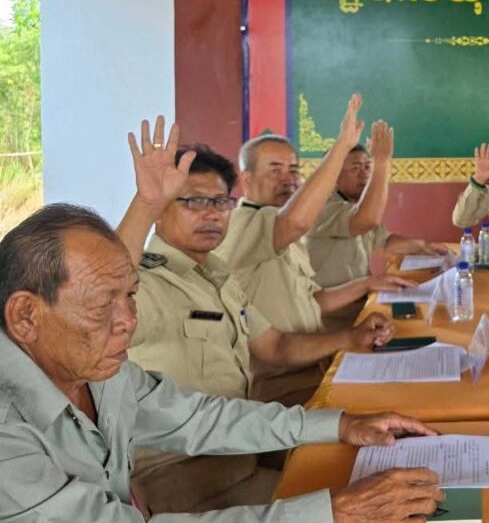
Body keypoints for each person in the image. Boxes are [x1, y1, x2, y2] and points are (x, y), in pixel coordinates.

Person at [0, 202, 444, 522]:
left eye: (131, 296)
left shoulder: (100, 374)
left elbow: (199, 419)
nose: (128, 322)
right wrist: (332, 512)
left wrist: (340, 425)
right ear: (25, 316)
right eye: (103, 306)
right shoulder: (7, 432)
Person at [217, 119, 417, 401]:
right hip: (278, 382)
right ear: (247, 180)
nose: (288, 179)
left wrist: (367, 283)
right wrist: (343, 147)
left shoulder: (281, 226)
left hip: (314, 361)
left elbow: (313, 300)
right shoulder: (241, 224)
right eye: (275, 170)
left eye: (293, 170)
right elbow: (299, 222)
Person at [305, 121, 448, 306]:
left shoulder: (355, 204)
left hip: (360, 301)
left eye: (367, 167)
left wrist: (422, 246)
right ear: (333, 176)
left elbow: (384, 242)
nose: (364, 174)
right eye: (355, 169)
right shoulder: (320, 205)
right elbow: (364, 221)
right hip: (332, 312)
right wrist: (381, 163)